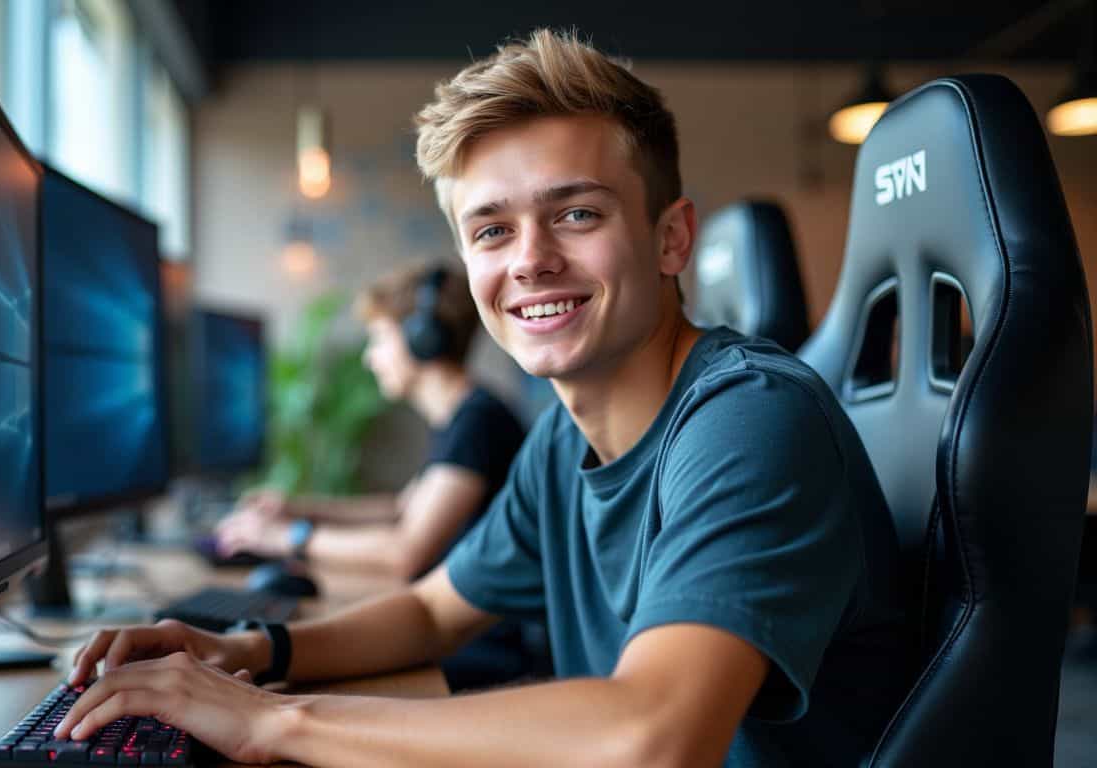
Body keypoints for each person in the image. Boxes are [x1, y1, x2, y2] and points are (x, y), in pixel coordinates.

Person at [54, 29, 912, 767]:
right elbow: (434, 610)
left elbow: (657, 736)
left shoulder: (749, 421)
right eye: (492, 230)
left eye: (576, 214)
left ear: (670, 237)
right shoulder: (564, 437)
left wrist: (272, 720)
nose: (529, 260)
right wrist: (245, 649)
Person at [214, 262, 543, 689]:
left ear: (421, 340)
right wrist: (297, 507)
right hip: (469, 633)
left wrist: (288, 537)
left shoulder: (478, 424)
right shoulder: (459, 418)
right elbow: (400, 509)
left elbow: (406, 551)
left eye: (379, 339)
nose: (370, 358)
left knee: (304, 680)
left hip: (489, 645)